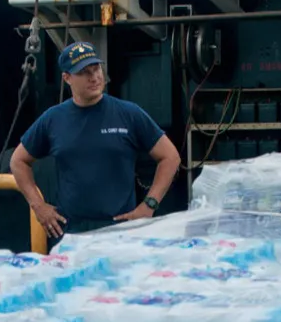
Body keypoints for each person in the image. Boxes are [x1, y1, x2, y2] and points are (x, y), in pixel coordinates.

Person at [10, 42, 181, 241]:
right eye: (84, 72)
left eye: (96, 68)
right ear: (67, 78)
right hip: (72, 233)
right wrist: (38, 206)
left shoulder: (129, 113)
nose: (94, 77)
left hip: (120, 231)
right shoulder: (53, 119)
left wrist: (149, 205)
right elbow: (18, 161)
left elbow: (170, 157)